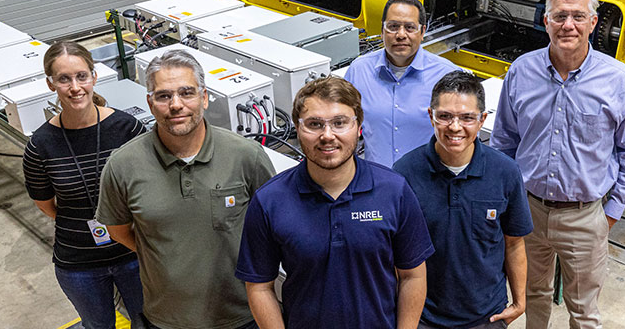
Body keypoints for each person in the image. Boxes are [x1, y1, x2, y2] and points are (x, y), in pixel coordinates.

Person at [490, 0, 625, 329]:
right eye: (560, 16)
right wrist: (506, 201)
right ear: (545, 20)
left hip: (586, 216)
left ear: (593, 23)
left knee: (584, 311)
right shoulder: (521, 71)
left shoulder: (618, 80)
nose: (568, 25)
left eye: (578, 16)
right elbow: (503, 142)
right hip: (527, 210)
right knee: (531, 294)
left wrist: (611, 211)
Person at [96, 49, 276, 329]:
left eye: (186, 93)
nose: (176, 104)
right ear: (150, 102)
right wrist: (162, 254)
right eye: (164, 96)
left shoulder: (246, 157)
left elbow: (273, 227)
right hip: (166, 319)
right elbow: (118, 229)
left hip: (242, 315)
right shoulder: (122, 165)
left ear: (204, 98)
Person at [236, 76, 434, 328]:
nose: (327, 135)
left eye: (339, 123)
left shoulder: (394, 191)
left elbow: (413, 276)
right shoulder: (269, 201)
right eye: (315, 124)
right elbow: (259, 286)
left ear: (359, 126)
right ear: (298, 129)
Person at [394, 70, 533, 329]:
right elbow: (396, 253)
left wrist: (519, 302)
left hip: (487, 316)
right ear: (431, 116)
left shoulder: (505, 172)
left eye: (467, 117)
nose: (455, 127)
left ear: (482, 120)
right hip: (424, 317)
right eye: (445, 116)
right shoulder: (404, 174)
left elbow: (514, 244)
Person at [23, 41, 145, 329]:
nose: (75, 87)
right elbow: (46, 205)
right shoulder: (40, 145)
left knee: (150, 323)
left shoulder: (128, 129)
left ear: (94, 76)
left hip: (134, 254)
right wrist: (83, 221)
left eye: (81, 76)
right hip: (79, 263)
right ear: (51, 84)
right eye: (64, 79)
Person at [344, 0, 459, 167]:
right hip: (377, 182)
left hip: (427, 185)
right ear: (382, 31)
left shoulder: (447, 75)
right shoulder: (359, 71)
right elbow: (343, 127)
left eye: (410, 27)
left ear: (422, 32)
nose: (401, 35)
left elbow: (464, 140)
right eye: (393, 26)